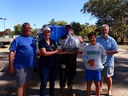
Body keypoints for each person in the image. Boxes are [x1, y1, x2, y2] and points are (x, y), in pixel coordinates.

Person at [8, 22, 37, 96]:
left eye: (29, 28)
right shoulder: (18, 39)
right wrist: (10, 65)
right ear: (23, 29)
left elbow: (34, 51)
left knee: (26, 83)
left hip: (30, 66)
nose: (28, 29)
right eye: (26, 28)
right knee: (20, 85)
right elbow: (11, 52)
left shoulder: (32, 39)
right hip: (20, 66)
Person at [58, 25, 83, 94]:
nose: (68, 30)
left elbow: (81, 41)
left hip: (72, 60)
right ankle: (62, 90)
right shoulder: (62, 37)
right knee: (63, 75)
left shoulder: (76, 37)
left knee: (71, 74)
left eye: (70, 29)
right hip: (63, 60)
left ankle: (70, 89)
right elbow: (59, 46)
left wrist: (74, 36)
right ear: (65, 30)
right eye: (67, 29)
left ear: (72, 30)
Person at [38, 26, 62, 96]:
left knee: (52, 82)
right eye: (46, 32)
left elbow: (57, 51)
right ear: (43, 33)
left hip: (53, 65)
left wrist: (65, 52)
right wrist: (56, 52)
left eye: (49, 32)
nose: (48, 34)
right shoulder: (41, 42)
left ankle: (52, 94)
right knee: (44, 82)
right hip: (44, 65)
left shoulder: (53, 42)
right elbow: (44, 53)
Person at [96, 24, 118, 96]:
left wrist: (105, 52)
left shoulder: (112, 40)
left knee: (108, 77)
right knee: (100, 76)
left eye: (105, 29)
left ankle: (109, 90)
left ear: (108, 30)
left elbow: (116, 50)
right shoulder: (97, 39)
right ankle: (100, 88)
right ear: (101, 30)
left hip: (109, 62)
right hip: (99, 62)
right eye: (103, 29)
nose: (104, 31)